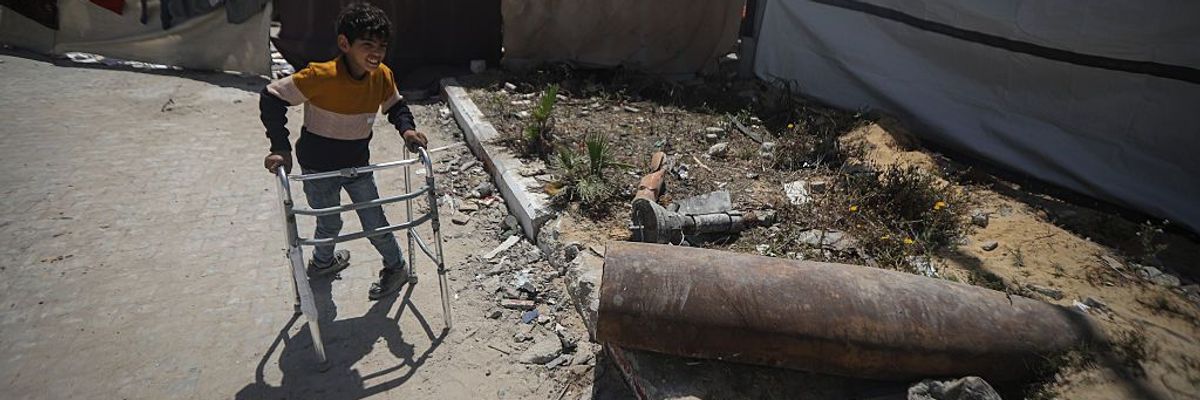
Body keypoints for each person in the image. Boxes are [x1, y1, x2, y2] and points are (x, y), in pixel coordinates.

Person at [259, 2, 427, 300]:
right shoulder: (320, 76)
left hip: (356, 166)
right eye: (367, 45)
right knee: (329, 221)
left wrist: (408, 130)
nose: (376, 52)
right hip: (317, 167)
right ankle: (323, 262)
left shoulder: (382, 76)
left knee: (374, 221)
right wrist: (280, 148)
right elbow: (272, 97)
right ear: (344, 44)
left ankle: (396, 267)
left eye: (382, 45)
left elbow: (396, 106)